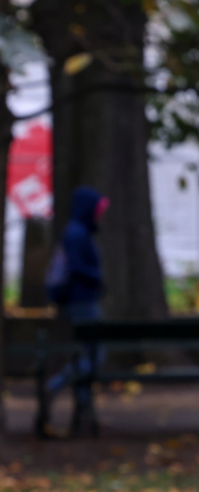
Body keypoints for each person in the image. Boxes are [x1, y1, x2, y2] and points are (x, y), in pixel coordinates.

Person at [42, 185, 109, 437]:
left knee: (89, 356)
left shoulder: (77, 232)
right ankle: (56, 385)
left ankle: (84, 410)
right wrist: (97, 279)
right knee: (93, 356)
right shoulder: (77, 234)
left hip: (82, 301)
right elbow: (78, 267)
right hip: (82, 302)